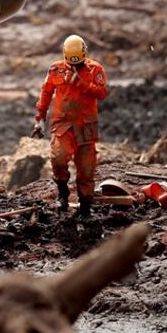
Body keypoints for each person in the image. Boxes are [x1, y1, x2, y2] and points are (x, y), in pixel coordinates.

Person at [32, 34, 109, 218]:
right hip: (63, 125)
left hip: (85, 126)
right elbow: (46, 93)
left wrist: (81, 83)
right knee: (58, 158)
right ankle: (63, 193)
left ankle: (85, 206)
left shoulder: (95, 69)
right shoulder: (55, 70)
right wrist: (39, 119)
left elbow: (102, 92)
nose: (74, 66)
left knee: (86, 168)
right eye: (71, 63)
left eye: (78, 63)